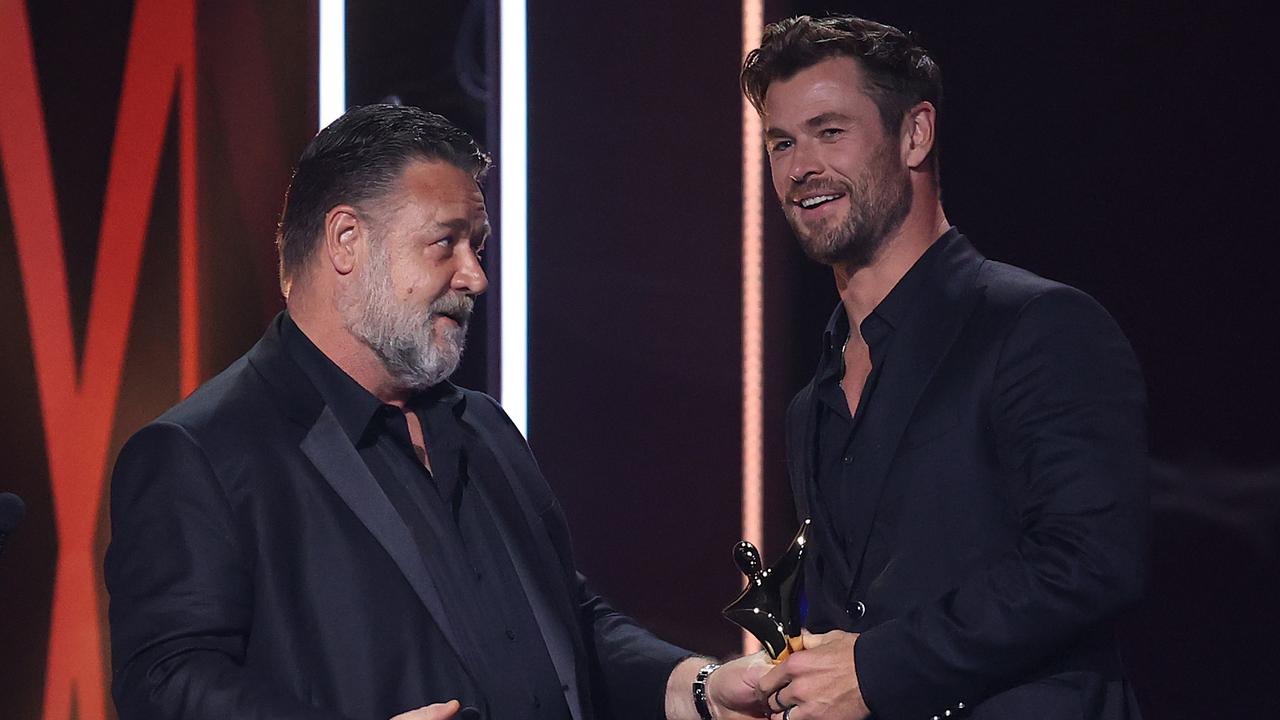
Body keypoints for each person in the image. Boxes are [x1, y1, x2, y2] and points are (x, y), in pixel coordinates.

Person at [105, 104, 767, 720]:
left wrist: (698, 687)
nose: (474, 275)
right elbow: (165, 682)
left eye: (476, 247)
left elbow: (568, 620)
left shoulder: (483, 428)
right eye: (444, 243)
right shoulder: (202, 453)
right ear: (345, 241)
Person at [740, 15, 1148, 720]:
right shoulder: (811, 406)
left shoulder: (1036, 327)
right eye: (782, 141)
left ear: (915, 134)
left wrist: (877, 665)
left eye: (829, 131)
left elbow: (1089, 560)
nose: (800, 165)